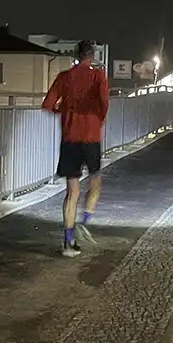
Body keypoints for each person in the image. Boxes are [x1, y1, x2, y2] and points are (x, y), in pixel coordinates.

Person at [42, 40, 109, 257]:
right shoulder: (98, 76)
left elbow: (48, 104)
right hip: (91, 138)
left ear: (76, 55)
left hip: (70, 139)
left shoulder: (64, 77)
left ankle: (68, 242)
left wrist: (64, 109)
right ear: (92, 56)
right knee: (95, 181)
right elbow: (104, 104)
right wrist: (97, 118)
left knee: (72, 192)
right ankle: (86, 219)